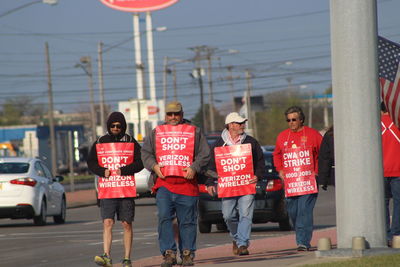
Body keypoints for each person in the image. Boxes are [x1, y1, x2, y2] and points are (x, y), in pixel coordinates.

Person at [141, 101, 210, 267]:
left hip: (187, 185)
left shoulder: (194, 131)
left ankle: (187, 253)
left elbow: (205, 154)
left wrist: (194, 167)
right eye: (170, 114)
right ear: (165, 115)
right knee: (164, 218)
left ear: (182, 114)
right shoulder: (156, 132)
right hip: (164, 184)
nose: (173, 117)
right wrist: (154, 166)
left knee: (187, 221)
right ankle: (169, 253)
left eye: (176, 114)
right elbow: (146, 153)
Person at [87, 111, 144, 267]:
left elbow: (141, 162)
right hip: (108, 189)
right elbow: (91, 162)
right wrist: (101, 171)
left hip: (125, 190)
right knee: (108, 222)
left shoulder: (131, 142)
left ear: (123, 126)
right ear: (108, 126)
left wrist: (124, 170)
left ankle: (127, 258)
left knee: (126, 223)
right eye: (112, 125)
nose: (115, 128)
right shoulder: (100, 141)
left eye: (119, 126)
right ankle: (106, 255)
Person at [205, 112, 265, 256]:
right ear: (230, 125)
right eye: (239, 123)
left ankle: (243, 244)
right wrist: (209, 182)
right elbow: (210, 166)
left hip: (246, 186)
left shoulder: (251, 142)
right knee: (228, 215)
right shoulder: (218, 145)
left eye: (243, 123)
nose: (242, 125)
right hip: (227, 187)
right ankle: (236, 238)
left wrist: (257, 175)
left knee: (246, 215)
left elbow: (260, 162)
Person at [273, 106, 322, 251]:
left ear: (301, 119)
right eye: (288, 120)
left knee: (304, 211)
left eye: (294, 119)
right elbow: (277, 155)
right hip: (291, 182)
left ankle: (303, 242)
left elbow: (323, 154)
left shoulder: (314, 135)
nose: (291, 123)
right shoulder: (282, 136)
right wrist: (280, 170)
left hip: (308, 182)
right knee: (293, 211)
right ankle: (300, 235)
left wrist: (317, 171)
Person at [381, 102, 400, 247]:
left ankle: (385, 234)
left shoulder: (374, 124)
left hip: (380, 171)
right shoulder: (397, 123)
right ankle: (396, 234)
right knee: (398, 203)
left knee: (383, 204)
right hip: (398, 169)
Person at [318, 126, 335, 190]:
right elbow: (325, 158)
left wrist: (323, 180)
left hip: (335, 173)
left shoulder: (330, 134)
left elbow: (325, 159)